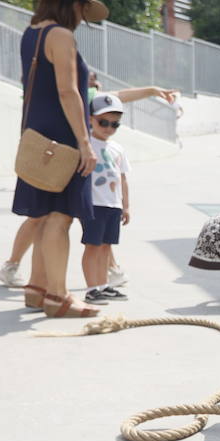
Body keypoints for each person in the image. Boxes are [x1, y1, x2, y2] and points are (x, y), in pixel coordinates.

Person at [0, 81, 178, 290]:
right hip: (60, 156)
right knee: (41, 217)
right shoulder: (51, 92)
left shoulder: (85, 93)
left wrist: (151, 90)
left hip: (83, 158)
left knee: (99, 221)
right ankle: (15, 266)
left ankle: (109, 270)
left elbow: (119, 97)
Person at [10, 0, 107, 319]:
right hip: (64, 138)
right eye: (82, 8)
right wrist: (85, 142)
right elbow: (68, 91)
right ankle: (59, 296)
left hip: (38, 134)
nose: (84, 16)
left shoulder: (30, 33)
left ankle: (37, 288)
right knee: (60, 218)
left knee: (44, 213)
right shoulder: (61, 36)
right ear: (73, 5)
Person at [81, 93, 130, 303]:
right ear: (90, 119)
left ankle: (103, 285)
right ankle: (92, 288)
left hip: (113, 204)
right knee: (92, 246)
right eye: (103, 122)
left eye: (114, 124)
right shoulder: (85, 144)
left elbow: (122, 178)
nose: (108, 128)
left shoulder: (117, 149)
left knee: (106, 247)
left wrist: (125, 206)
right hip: (93, 204)